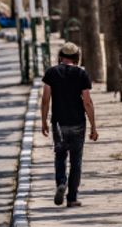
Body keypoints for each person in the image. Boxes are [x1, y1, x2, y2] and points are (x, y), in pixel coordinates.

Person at [40, 42, 98, 207]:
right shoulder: (82, 74)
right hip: (78, 123)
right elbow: (87, 102)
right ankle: (72, 198)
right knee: (76, 160)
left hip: (58, 123)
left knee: (60, 155)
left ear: (60, 56)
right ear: (76, 57)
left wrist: (43, 121)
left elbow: (45, 99)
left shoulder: (51, 72)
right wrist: (93, 126)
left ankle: (61, 182)